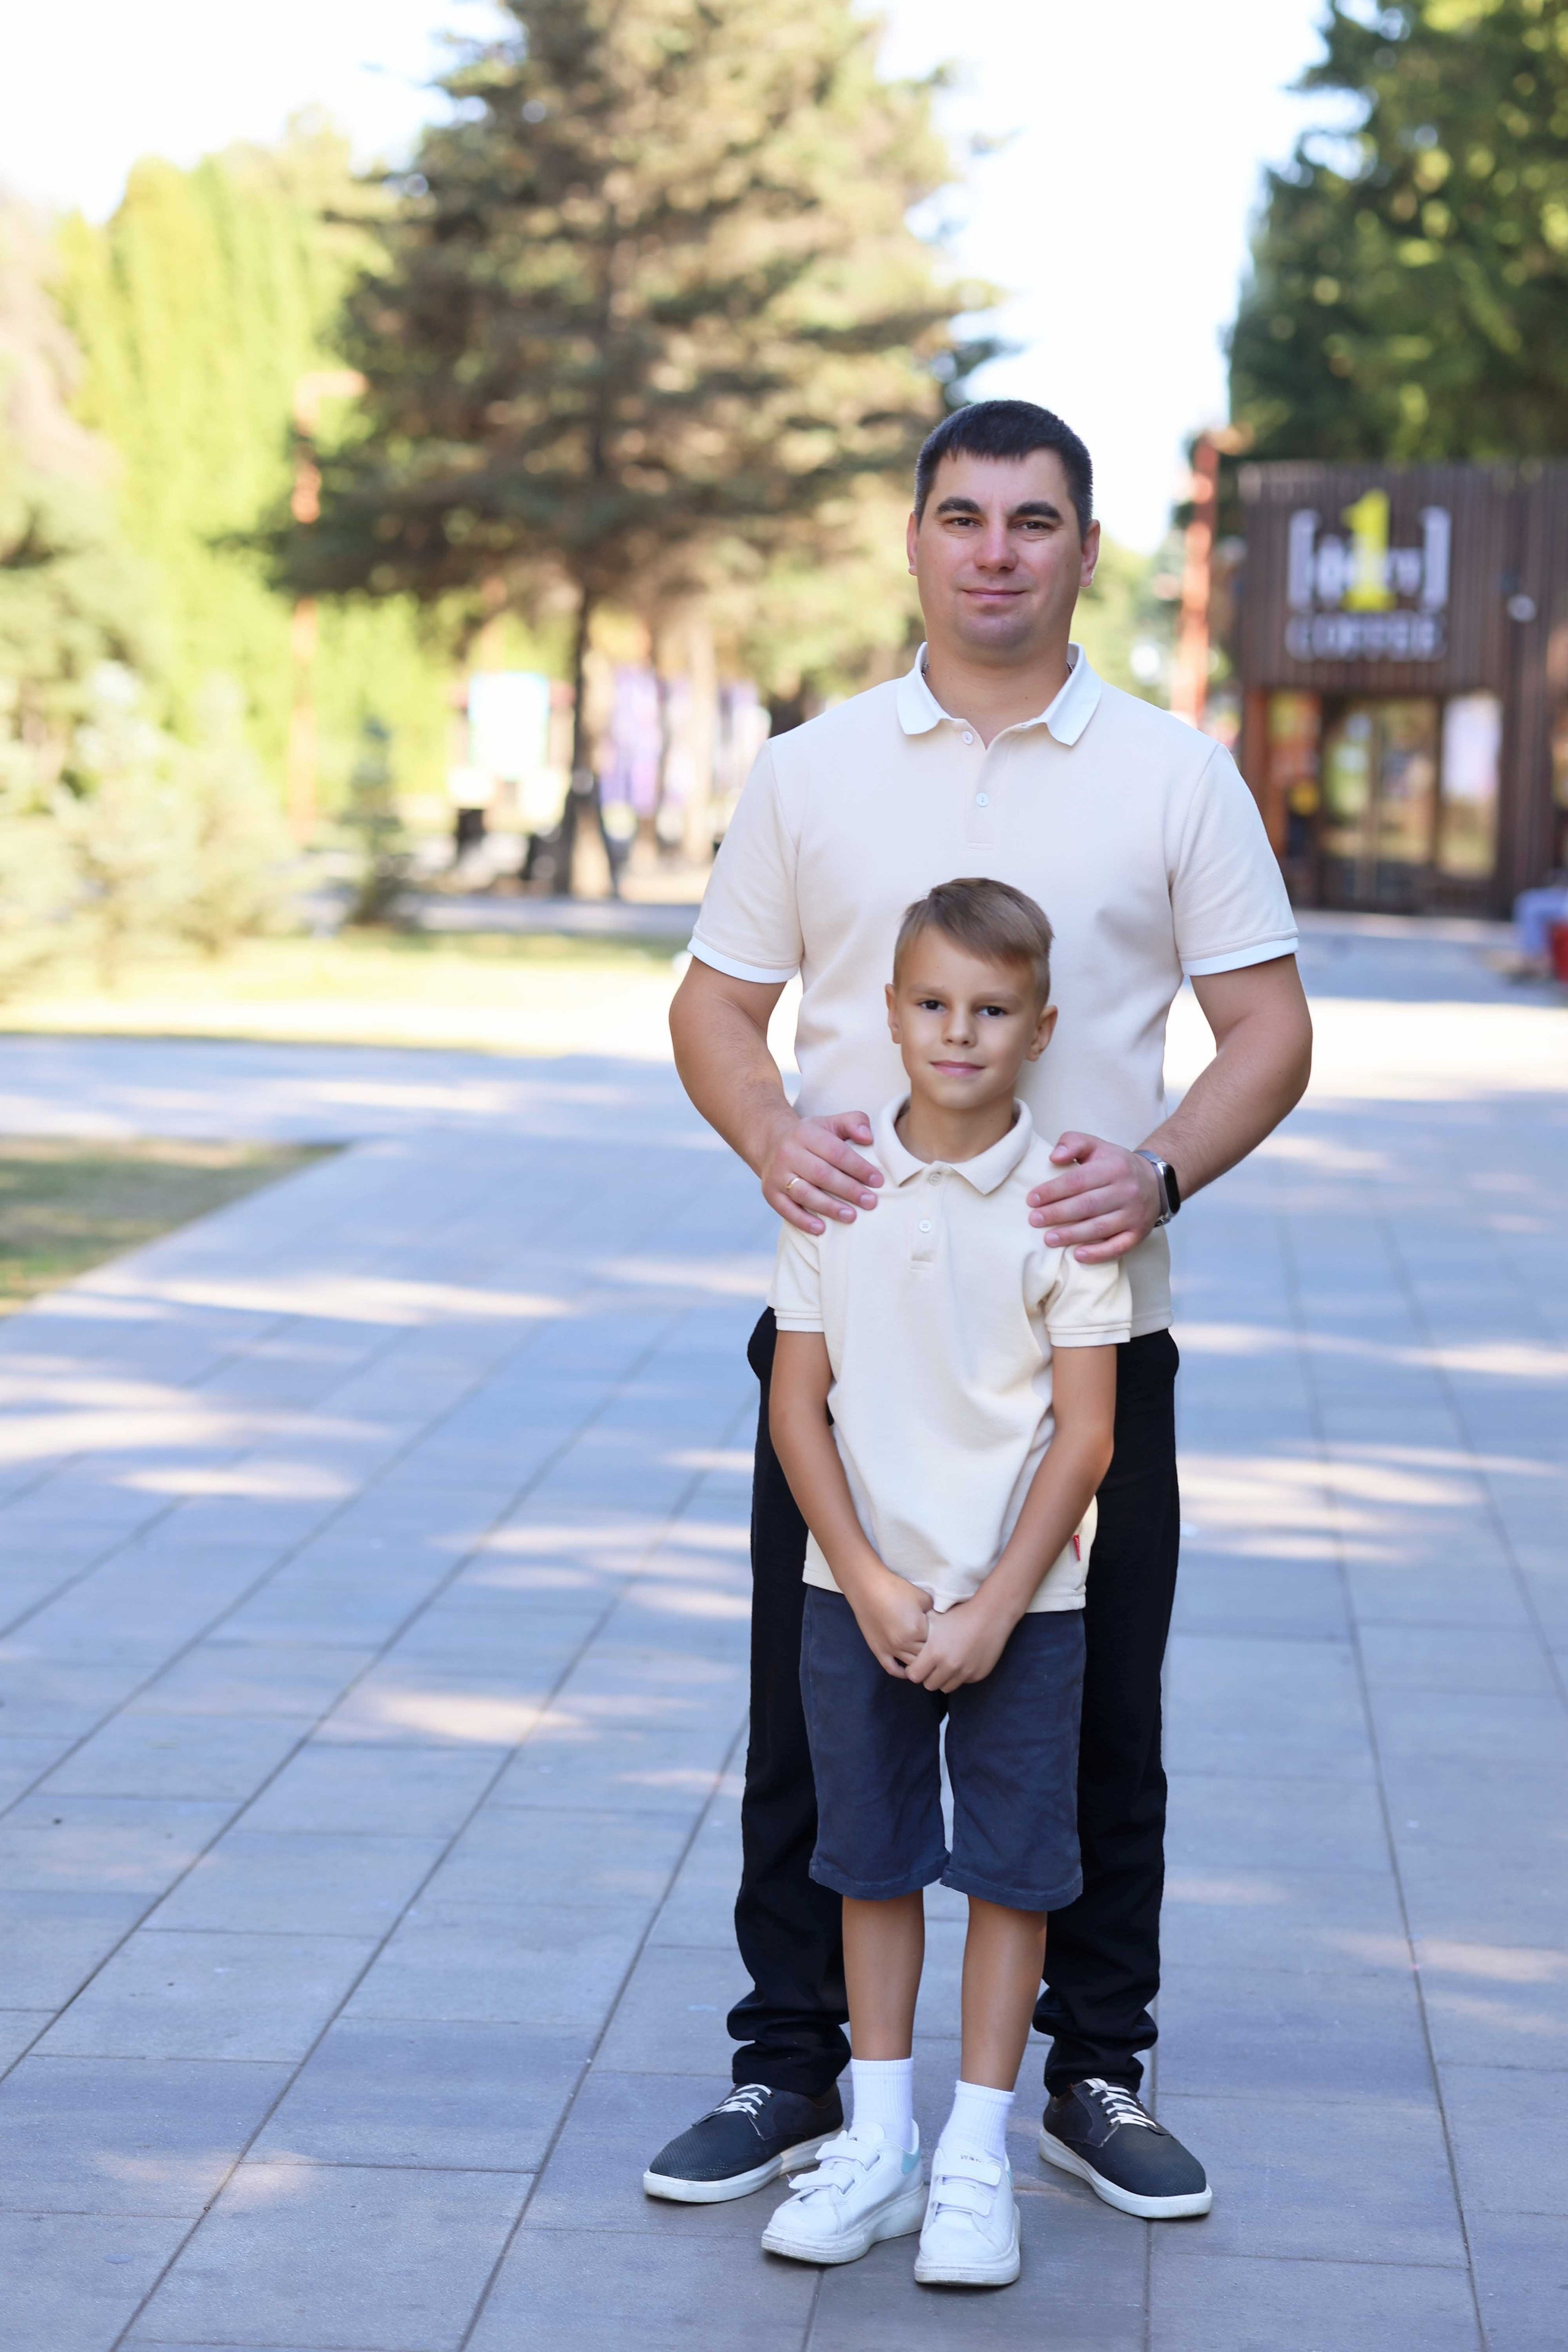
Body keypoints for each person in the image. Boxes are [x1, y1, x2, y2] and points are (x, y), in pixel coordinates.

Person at [649, 397, 1313, 2220]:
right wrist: (773, 1131)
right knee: (816, 1716)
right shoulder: (813, 767)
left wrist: (1160, 1170)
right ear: (916, 539)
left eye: (1035, 521)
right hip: (856, 1340)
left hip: (1085, 1335)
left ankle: (1094, 2070)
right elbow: (713, 1006)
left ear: (1087, 549)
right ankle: (794, 2068)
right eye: (965, 517)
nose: (997, 550)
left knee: (1098, 1720)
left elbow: (1271, 1033)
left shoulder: (1172, 774)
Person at [758, 877, 1131, 2286]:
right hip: (849, 1592)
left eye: (988, 1011)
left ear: (1037, 1028)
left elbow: (1086, 1434)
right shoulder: (833, 1187)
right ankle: (880, 2143)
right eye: (931, 1005)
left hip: (1020, 1607)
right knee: (868, 1864)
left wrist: (989, 1605)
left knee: (1012, 1870)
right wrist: (859, 1579)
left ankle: (976, 2156)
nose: (957, 1033)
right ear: (886, 1014)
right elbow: (799, 1410)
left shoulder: (1065, 1203)